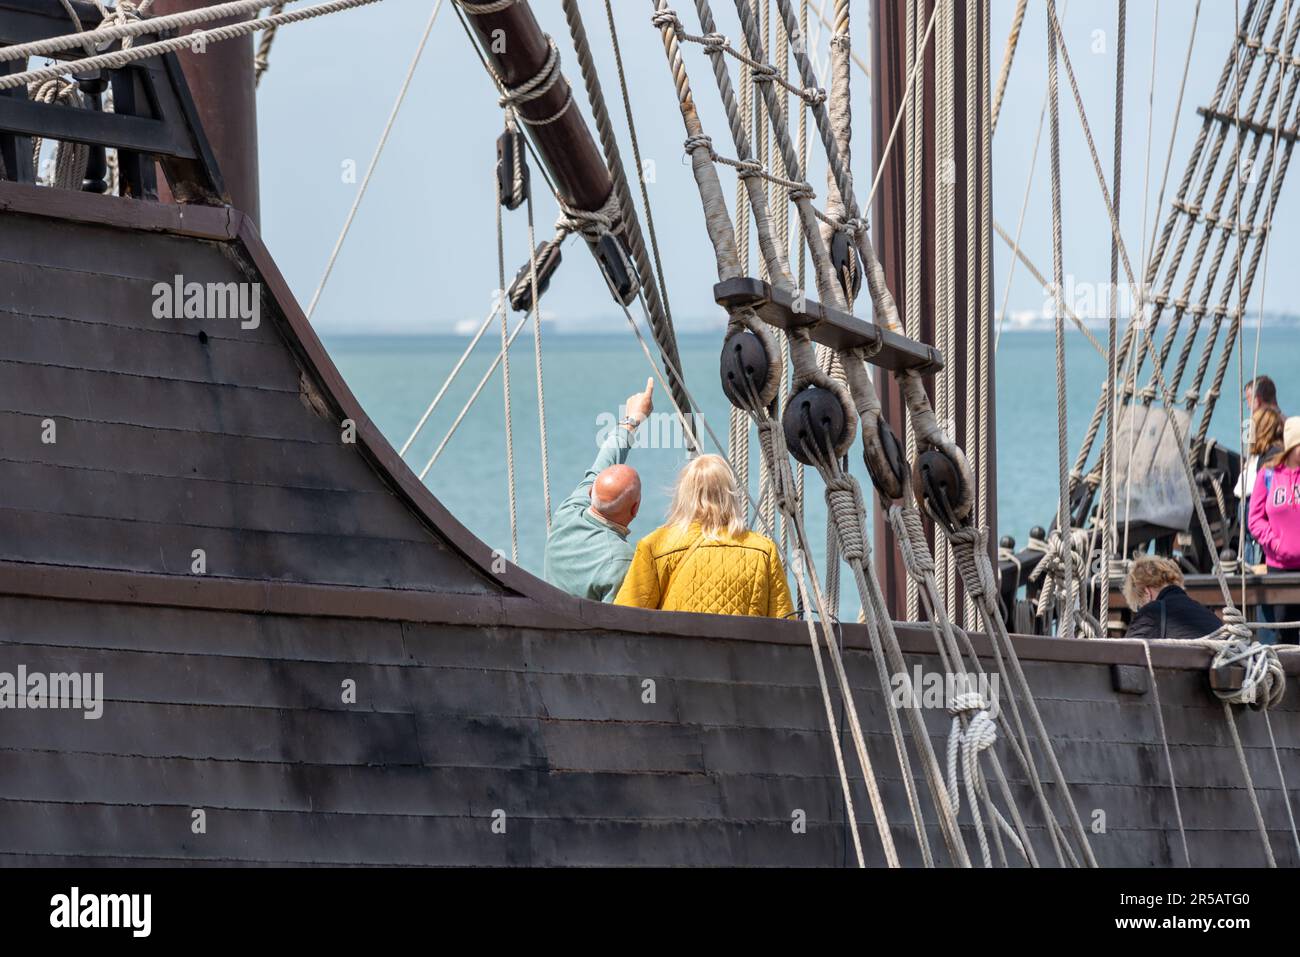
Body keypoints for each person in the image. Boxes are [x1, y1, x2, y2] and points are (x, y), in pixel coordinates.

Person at [614, 454, 794, 618]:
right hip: (742, 654)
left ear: (684, 494)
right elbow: (782, 625)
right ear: (730, 494)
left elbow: (625, 620)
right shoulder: (763, 550)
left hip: (675, 654)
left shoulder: (654, 546)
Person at [543, 379, 654, 602]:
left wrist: (632, 419)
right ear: (635, 508)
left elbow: (604, 459)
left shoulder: (568, 512)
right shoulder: (621, 562)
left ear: (592, 493)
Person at [1247, 415, 1300, 644]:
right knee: (1282, 636)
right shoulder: (1268, 475)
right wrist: (1274, 542)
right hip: (1279, 569)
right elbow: (1255, 520)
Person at [1121, 555, 1222, 641]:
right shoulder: (1208, 614)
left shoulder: (1152, 612)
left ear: (1147, 594)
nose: (1140, 610)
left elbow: (1126, 656)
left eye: (1139, 607)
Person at [1236, 405, 1285, 567]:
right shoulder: (1274, 453)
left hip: (1257, 517)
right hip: (1257, 517)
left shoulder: (1270, 457)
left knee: (1251, 552)